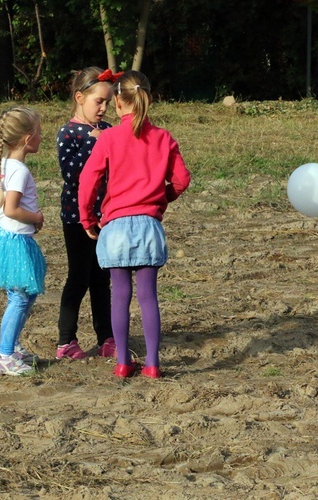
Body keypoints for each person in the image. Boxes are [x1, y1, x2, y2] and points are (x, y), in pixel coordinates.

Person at [78, 70, 192, 379]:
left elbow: (88, 180)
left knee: (120, 295)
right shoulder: (164, 137)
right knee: (148, 297)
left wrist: (88, 218)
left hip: (114, 227)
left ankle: (122, 362)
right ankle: (153, 363)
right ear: (149, 99)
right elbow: (182, 180)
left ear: (117, 102)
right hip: (148, 227)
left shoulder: (109, 138)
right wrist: (160, 199)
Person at [0, 107, 46, 375]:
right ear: (27, 139)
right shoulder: (20, 171)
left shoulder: (3, 164)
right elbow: (12, 208)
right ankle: (4, 355)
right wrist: (36, 216)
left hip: (5, 237)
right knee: (19, 297)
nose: (41, 138)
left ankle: (10, 346)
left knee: (25, 295)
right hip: (15, 241)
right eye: (39, 133)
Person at [55, 67, 122, 360]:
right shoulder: (69, 133)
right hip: (77, 218)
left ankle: (107, 337)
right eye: (98, 101)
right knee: (78, 277)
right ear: (80, 97)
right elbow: (73, 176)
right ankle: (66, 340)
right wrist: (94, 144)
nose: (104, 108)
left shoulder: (109, 130)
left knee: (101, 278)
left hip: (107, 218)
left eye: (108, 102)